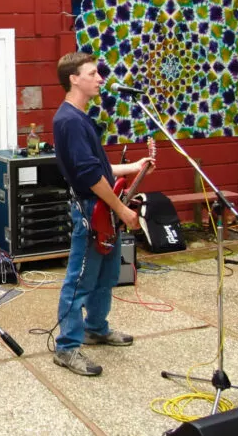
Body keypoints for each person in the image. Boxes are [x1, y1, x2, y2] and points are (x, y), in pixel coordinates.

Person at [51, 52, 154, 377]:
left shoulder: (80, 117)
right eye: (93, 73)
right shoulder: (68, 120)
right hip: (90, 211)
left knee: (105, 275)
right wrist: (122, 209)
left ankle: (95, 327)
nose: (99, 79)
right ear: (74, 78)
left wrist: (133, 167)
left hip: (103, 210)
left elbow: (100, 168)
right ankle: (67, 347)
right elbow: (89, 176)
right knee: (79, 280)